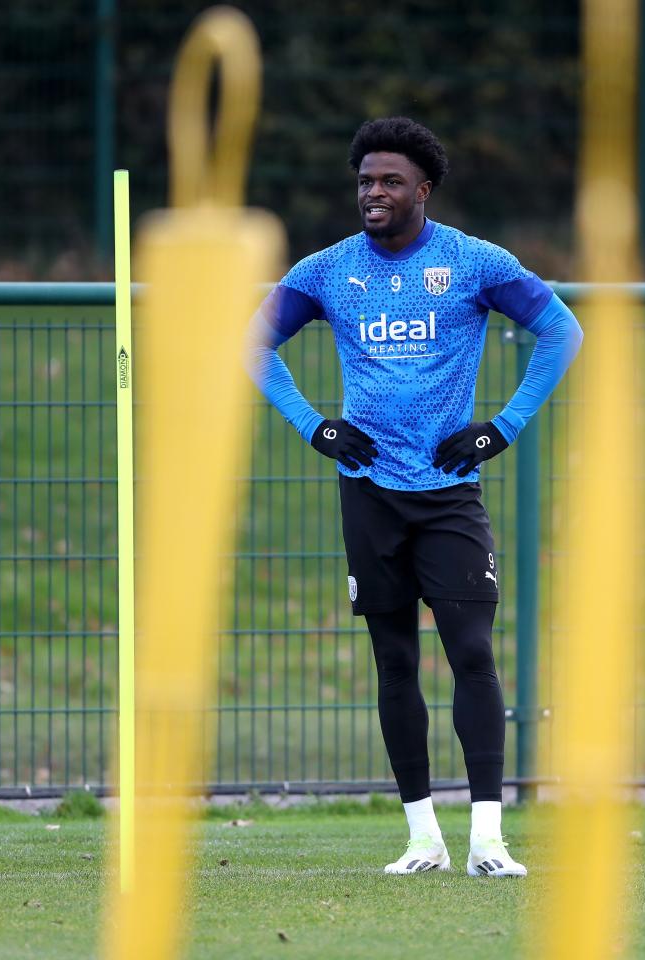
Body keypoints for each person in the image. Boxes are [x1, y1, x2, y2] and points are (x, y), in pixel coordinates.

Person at [249, 117, 582, 877]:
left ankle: (489, 842)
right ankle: (423, 839)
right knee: (394, 662)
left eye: (390, 181)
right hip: (369, 494)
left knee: (471, 653)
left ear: (422, 190)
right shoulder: (327, 271)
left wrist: (503, 427)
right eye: (365, 180)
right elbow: (251, 343)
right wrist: (314, 428)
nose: (374, 192)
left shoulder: (472, 262)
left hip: (449, 496)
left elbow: (562, 330)